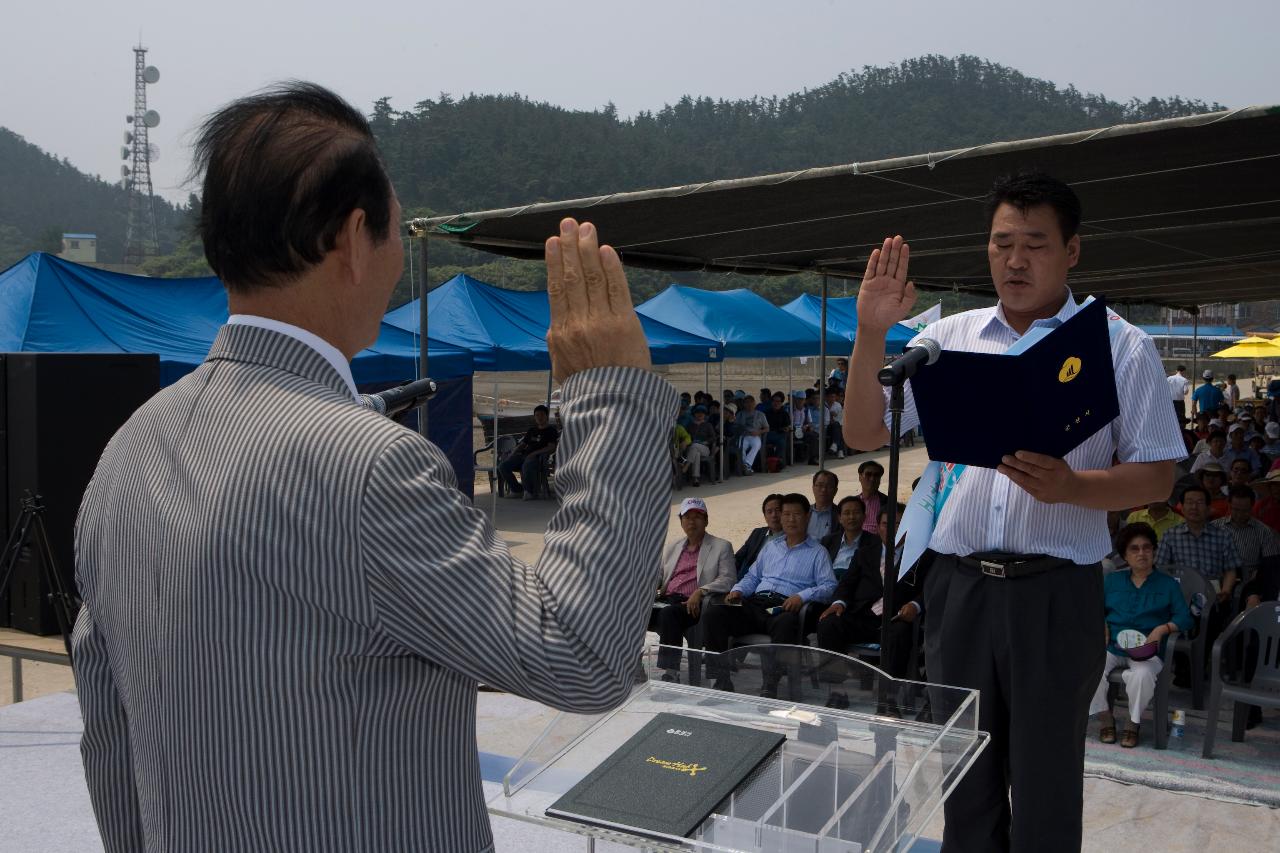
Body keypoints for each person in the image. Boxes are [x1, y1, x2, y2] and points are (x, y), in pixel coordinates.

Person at [69, 83, 676, 853]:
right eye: (391, 227)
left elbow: (111, 746)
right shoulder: (368, 467)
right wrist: (608, 398)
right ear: (355, 238)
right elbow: (583, 655)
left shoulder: (127, 451)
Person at [842, 172, 1183, 852]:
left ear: (1073, 250)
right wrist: (871, 332)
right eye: (1002, 244)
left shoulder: (1121, 345)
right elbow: (861, 432)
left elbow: (1159, 475)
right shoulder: (948, 337)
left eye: (1035, 244)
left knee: (1045, 784)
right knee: (963, 777)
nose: (1015, 260)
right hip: (959, 586)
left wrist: (1071, 487)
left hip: (1056, 592)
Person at [702, 493, 836, 696]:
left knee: (786, 625)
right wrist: (738, 590)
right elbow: (752, 576)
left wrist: (803, 596)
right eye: (787, 514)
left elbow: (829, 586)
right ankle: (720, 678)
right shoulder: (771, 547)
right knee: (714, 614)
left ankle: (770, 684)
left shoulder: (818, 552)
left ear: (808, 516)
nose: (791, 520)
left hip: (784, 607)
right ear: (781, 517)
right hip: (756, 604)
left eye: (797, 514)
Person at [1089, 523, 1192, 748]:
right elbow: (1095, 609)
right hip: (1113, 645)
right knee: (1089, 667)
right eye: (1134, 549)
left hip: (1147, 649)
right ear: (1125, 555)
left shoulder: (1167, 584)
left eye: (1147, 547)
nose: (1142, 553)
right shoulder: (1113, 580)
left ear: (1154, 551)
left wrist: (1162, 629)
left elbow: (1185, 617)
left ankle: (1132, 723)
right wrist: (1102, 624)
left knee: (1142, 675)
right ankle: (1105, 717)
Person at [816, 504, 923, 689]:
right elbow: (847, 583)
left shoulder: (919, 556)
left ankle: (889, 698)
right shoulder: (864, 553)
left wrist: (915, 604)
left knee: (899, 635)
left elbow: (928, 590)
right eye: (885, 524)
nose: (892, 529)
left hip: (896, 618)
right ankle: (835, 691)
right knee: (829, 624)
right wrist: (839, 602)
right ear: (877, 526)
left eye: (899, 524)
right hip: (863, 615)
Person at [652, 498, 737, 681]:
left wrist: (701, 591)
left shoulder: (721, 546)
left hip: (693, 604)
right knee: (630, 611)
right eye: (687, 517)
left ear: (706, 520)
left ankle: (671, 672)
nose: (692, 521)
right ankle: (632, 666)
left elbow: (728, 579)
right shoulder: (673, 546)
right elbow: (658, 575)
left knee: (669, 614)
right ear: (681, 521)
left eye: (698, 517)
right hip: (667, 599)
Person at [1158, 486, 1242, 656]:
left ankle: (1196, 664)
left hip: (1212, 596)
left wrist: (1226, 590)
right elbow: (1161, 569)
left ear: (1208, 507)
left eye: (1199, 503)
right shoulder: (1170, 535)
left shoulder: (1222, 536)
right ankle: (1184, 665)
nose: (1194, 507)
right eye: (1189, 502)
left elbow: (1231, 569)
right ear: (1181, 506)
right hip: (1180, 595)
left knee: (1208, 619)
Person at [1212, 485, 1279, 593]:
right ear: (1229, 505)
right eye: (1236, 510)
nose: (1239, 515)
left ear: (1252, 506)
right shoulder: (1214, 527)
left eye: (1245, 511)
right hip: (1215, 580)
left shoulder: (1264, 532)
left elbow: (1270, 567)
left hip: (1248, 584)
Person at [497, 404, 559, 500]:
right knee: (503, 466)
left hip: (538, 458)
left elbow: (551, 447)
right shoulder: (532, 430)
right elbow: (523, 444)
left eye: (542, 415)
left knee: (526, 464)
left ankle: (529, 492)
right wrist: (513, 452)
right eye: (537, 415)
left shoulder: (551, 431)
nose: (539, 417)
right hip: (524, 455)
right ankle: (517, 490)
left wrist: (534, 453)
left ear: (546, 416)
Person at [820, 496, 878, 578]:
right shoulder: (828, 541)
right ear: (839, 518)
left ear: (864, 516)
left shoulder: (874, 542)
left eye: (856, 512)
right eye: (847, 513)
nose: (851, 517)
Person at [735, 493, 785, 577]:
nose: (774, 515)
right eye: (769, 512)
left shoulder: (792, 538)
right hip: (745, 578)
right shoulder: (758, 533)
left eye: (778, 510)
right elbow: (738, 557)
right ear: (765, 516)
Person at [684, 405, 718, 486]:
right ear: (694, 414)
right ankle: (696, 479)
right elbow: (686, 437)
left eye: (702, 413)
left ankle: (687, 465)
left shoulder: (708, 425)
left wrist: (707, 441)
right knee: (696, 453)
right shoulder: (690, 425)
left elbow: (713, 438)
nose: (700, 414)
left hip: (704, 448)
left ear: (705, 414)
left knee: (695, 446)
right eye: (697, 412)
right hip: (692, 448)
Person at [735, 395, 769, 473]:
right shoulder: (740, 414)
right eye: (747, 402)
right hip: (744, 436)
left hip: (755, 436)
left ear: (754, 403)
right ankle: (747, 467)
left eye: (751, 402)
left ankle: (746, 464)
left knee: (756, 446)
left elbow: (767, 428)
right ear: (744, 404)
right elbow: (735, 426)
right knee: (740, 446)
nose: (749, 404)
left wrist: (758, 432)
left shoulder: (760, 414)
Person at [854, 460, 887, 535]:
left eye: (876, 475)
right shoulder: (852, 503)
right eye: (868, 474)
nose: (872, 479)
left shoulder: (888, 502)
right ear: (860, 477)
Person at [807, 469, 839, 540]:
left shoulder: (840, 515)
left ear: (835, 491)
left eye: (829, 486)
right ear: (813, 488)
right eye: (820, 485)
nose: (823, 489)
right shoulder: (804, 512)